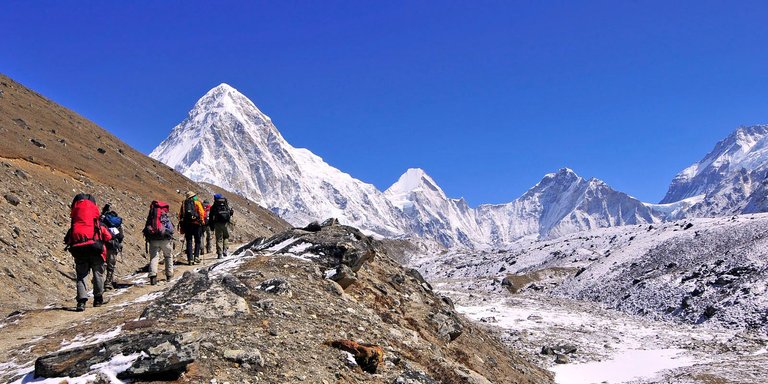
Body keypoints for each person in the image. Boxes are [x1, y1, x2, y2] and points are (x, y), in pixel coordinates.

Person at [64, 194, 113, 311]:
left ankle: (81, 302)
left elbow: (67, 239)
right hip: (96, 250)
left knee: (81, 276)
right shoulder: (96, 223)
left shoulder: (75, 224)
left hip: (79, 251)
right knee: (98, 274)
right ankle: (98, 299)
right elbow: (108, 236)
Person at [142, 200, 175, 285]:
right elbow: (170, 229)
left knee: (154, 257)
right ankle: (169, 275)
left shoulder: (151, 215)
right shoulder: (164, 215)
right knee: (168, 256)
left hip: (153, 239)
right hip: (165, 240)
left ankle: (153, 276)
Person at [100, 203, 124, 290]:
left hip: (102, 245)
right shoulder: (118, 224)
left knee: (101, 264)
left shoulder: (102, 221)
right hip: (113, 246)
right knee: (111, 266)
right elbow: (121, 237)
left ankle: (98, 282)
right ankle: (108, 283)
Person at [178, 191, 206, 265]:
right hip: (197, 224)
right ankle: (196, 256)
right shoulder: (197, 202)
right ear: (193, 196)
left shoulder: (184, 204)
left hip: (187, 225)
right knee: (197, 241)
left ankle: (190, 259)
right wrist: (202, 221)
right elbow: (202, 213)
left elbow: (180, 215)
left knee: (189, 241)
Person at [209, 193, 234, 259]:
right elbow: (229, 213)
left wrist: (211, 227)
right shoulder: (226, 205)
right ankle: (225, 249)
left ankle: (219, 254)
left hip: (217, 224)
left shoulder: (213, 207)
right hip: (225, 223)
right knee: (226, 236)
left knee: (219, 239)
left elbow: (211, 217)